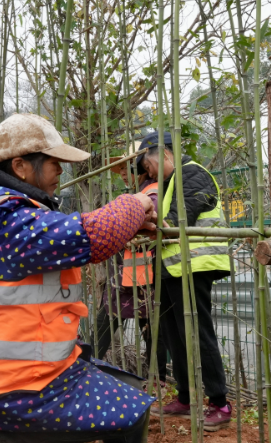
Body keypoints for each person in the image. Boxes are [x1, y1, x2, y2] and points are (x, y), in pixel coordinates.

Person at [0, 113, 157, 443]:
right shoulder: (1, 219)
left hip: (15, 373)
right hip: (5, 388)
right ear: (20, 167)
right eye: (54, 162)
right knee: (132, 412)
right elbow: (90, 236)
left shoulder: (1, 211)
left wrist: (129, 224)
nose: (60, 170)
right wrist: (137, 203)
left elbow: (68, 236)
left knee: (129, 386)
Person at [135, 131, 233, 431]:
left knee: (197, 333)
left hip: (194, 267)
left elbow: (177, 223)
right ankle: (186, 398)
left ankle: (220, 402)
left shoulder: (193, 174)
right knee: (173, 335)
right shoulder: (170, 182)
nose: (149, 174)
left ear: (165, 154)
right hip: (171, 268)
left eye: (148, 166)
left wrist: (137, 218)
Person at [96, 158, 168, 385]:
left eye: (127, 169)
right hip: (128, 273)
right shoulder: (141, 192)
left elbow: (146, 226)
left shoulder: (152, 192)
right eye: (119, 170)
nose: (123, 174)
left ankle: (156, 379)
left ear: (143, 168)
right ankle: (156, 378)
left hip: (143, 274)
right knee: (133, 321)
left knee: (148, 325)